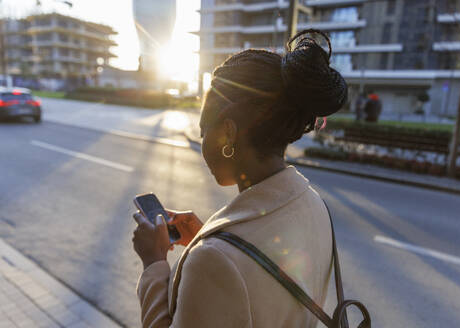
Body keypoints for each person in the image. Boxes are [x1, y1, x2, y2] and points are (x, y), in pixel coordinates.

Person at [131, 29, 348, 328]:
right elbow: (260, 279)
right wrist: (206, 238)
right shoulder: (314, 205)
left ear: (228, 133)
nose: (202, 139)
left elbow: (235, 275)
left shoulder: (215, 261)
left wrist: (154, 264)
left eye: (203, 129)